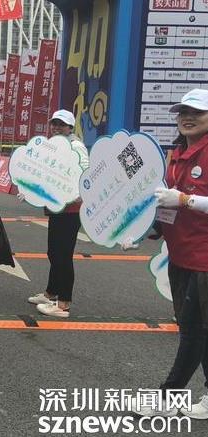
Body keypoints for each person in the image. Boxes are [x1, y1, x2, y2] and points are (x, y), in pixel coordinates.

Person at [130, 89, 208, 419]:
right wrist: (147, 229)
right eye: (182, 112)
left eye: (197, 112)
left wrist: (186, 200)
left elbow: (182, 201)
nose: (187, 118)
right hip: (180, 255)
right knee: (198, 329)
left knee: (193, 330)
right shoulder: (176, 154)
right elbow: (166, 206)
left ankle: (167, 398)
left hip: (204, 260)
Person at [23, 110, 89, 318]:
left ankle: (63, 304)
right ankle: (50, 293)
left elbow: (84, 174)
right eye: (54, 124)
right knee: (53, 252)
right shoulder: (52, 145)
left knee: (63, 255)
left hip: (70, 210)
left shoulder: (76, 146)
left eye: (61, 124)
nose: (57, 128)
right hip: (56, 208)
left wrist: (78, 194)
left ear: (70, 127)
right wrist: (29, 190)